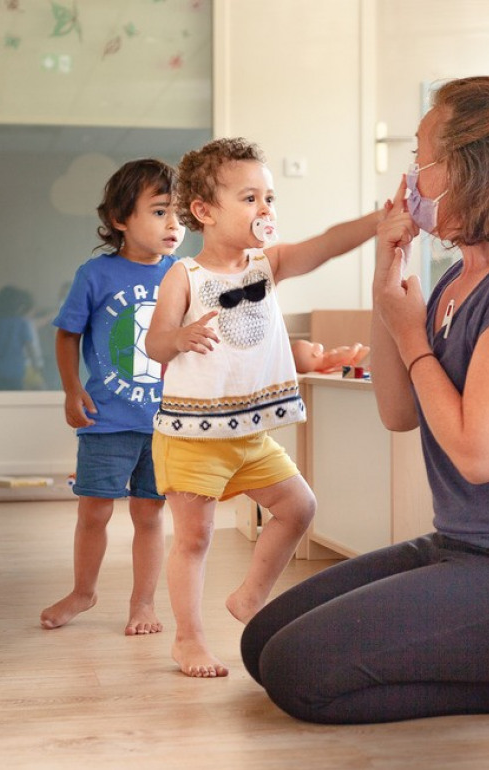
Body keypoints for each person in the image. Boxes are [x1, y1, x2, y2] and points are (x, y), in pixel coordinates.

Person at [240, 76, 489, 723]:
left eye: (420, 158)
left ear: (469, 170)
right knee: (261, 644)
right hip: (463, 545)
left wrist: (411, 336)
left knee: (297, 674)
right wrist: (387, 280)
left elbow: (478, 455)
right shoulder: (457, 277)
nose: (411, 178)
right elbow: (398, 412)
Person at [144, 137, 382, 678]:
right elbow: (155, 344)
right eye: (249, 198)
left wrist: (378, 219)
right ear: (205, 211)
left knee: (299, 508)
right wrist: (178, 338)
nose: (265, 209)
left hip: (248, 434)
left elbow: (325, 244)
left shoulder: (266, 265)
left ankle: (250, 596)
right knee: (194, 539)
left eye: (269, 198)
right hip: (192, 434)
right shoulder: (185, 275)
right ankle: (187, 640)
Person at [40, 158, 184, 636]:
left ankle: (143, 603)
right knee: (94, 511)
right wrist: (72, 389)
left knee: (150, 515)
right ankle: (83, 592)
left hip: (164, 423)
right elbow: (67, 334)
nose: (174, 224)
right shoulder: (95, 275)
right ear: (121, 218)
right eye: (160, 211)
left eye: (180, 214)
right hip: (107, 419)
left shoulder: (183, 275)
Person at [0, 284, 43, 390]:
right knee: (14, 395)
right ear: (18, 306)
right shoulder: (22, 323)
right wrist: (36, 365)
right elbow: (29, 347)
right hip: (15, 370)